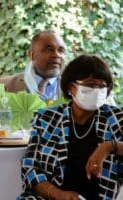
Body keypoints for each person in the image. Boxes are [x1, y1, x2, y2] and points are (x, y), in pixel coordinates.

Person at [18, 55, 123, 200]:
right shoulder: (47, 118)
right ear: (70, 88)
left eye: (102, 86)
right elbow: (30, 167)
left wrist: (109, 146)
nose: (97, 90)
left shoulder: (116, 119)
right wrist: (59, 195)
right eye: (90, 84)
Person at [0, 30, 66, 125]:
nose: (56, 55)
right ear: (31, 54)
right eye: (48, 49)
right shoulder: (3, 87)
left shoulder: (74, 90)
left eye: (61, 50)